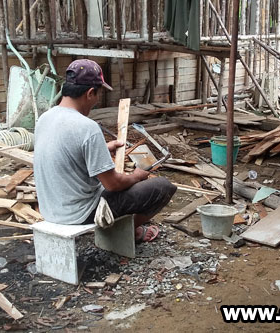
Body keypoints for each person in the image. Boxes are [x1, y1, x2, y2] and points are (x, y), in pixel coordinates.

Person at [34, 59, 177, 241]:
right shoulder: (87, 127)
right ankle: (126, 233)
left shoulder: (45, 118)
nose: (96, 101)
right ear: (90, 93)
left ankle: (124, 229)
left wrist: (103, 148)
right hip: (80, 214)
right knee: (163, 187)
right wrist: (137, 176)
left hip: (51, 210)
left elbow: (63, 153)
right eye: (98, 95)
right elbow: (113, 184)